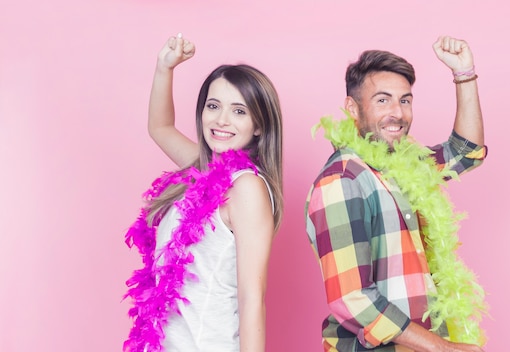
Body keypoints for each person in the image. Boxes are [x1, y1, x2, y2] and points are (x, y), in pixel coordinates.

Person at [305, 36, 488, 352]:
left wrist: (464, 74)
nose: (398, 113)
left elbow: (467, 151)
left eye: (405, 100)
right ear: (353, 107)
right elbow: (352, 298)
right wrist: (444, 349)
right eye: (382, 100)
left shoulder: (405, 166)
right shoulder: (342, 179)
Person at [124, 34, 283, 352]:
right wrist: (164, 68)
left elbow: (253, 297)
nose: (222, 120)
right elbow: (160, 128)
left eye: (239, 111)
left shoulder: (246, 187)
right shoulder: (203, 173)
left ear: (259, 126)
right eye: (213, 106)